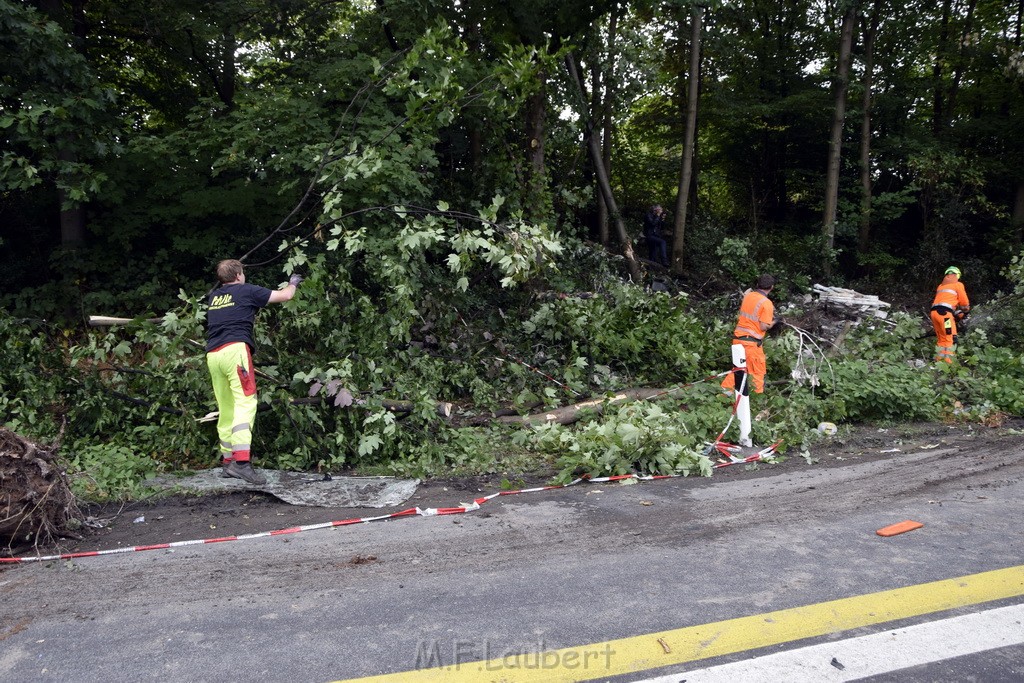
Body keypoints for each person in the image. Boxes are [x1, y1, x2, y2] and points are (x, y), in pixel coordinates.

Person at [205, 259, 302, 484]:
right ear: (238, 275)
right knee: (246, 403)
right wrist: (293, 282)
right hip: (235, 351)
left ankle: (228, 461)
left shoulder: (214, 297)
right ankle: (241, 463)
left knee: (226, 405)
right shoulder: (245, 290)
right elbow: (285, 296)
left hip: (213, 355)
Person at [721, 274, 776, 447]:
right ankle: (758, 405)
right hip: (752, 343)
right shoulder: (767, 303)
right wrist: (775, 322)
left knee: (738, 370)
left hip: (739, 339)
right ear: (771, 287)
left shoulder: (749, 296)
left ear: (757, 284)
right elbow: (762, 326)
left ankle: (724, 394)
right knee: (757, 371)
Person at [930, 266, 970, 364]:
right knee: (950, 338)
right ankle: (948, 363)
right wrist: (966, 312)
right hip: (945, 316)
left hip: (934, 314)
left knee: (941, 339)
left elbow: (947, 303)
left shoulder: (941, 286)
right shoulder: (958, 284)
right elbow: (964, 303)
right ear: (957, 275)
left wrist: (957, 314)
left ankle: (939, 361)